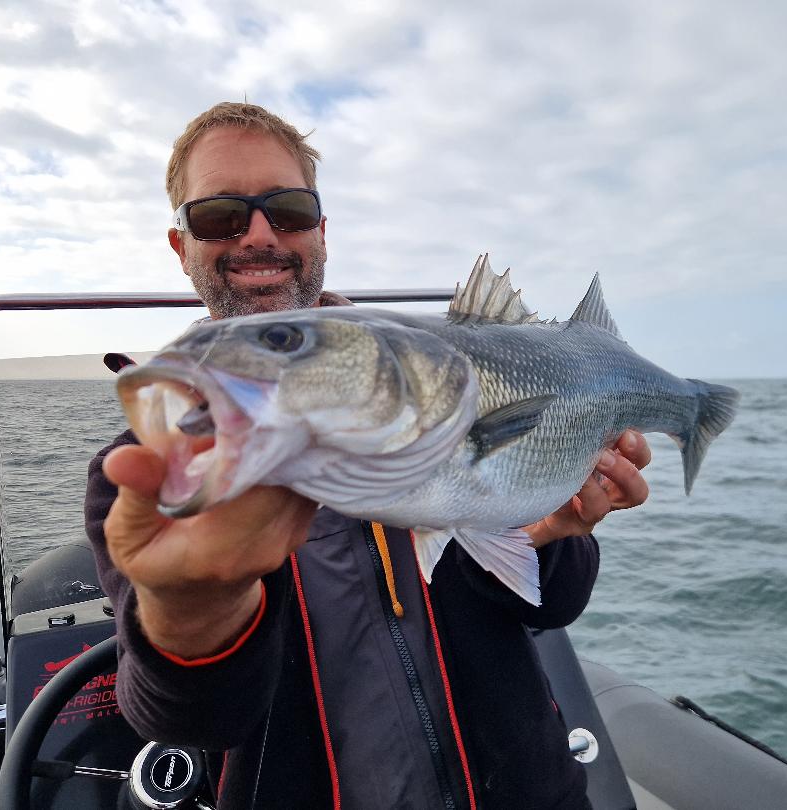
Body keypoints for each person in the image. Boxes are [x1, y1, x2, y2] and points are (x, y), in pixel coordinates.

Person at [86, 102, 651, 809]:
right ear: (181, 246)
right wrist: (193, 610)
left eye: (287, 210)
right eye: (219, 216)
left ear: (321, 230)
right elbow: (192, 721)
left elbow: (555, 605)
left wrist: (542, 526)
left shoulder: (448, 378)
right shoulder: (152, 471)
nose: (259, 235)